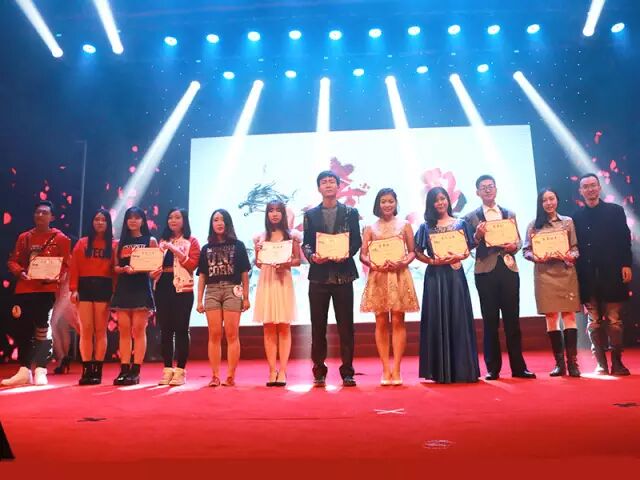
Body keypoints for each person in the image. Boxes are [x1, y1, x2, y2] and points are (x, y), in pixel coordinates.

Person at [464, 175, 536, 380]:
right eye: (483, 187)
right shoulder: (470, 217)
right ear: (477, 192)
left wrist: (515, 246)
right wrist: (477, 236)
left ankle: (519, 367)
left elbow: (518, 241)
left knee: (513, 320)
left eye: (491, 186)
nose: (488, 190)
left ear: (496, 189)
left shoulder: (509, 214)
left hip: (508, 268)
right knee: (490, 321)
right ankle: (492, 368)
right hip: (485, 271)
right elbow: (467, 245)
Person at [302, 170, 362, 387]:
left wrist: (347, 253)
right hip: (318, 277)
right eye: (324, 182)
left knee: (346, 326)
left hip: (343, 275)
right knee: (318, 327)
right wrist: (312, 256)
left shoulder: (350, 212)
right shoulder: (310, 215)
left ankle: (347, 372)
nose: (328, 185)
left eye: (331, 182)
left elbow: (356, 241)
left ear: (338, 186)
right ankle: (319, 370)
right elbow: (306, 243)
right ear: (319, 188)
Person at [414, 187, 480, 383]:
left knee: (459, 316)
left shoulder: (461, 223)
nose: (440, 203)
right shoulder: (425, 227)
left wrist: (460, 256)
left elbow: (468, 249)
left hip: (455, 274)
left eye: (443, 198)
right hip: (435, 277)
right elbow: (417, 251)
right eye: (436, 200)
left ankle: (463, 369)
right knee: (437, 318)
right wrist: (432, 261)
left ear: (448, 200)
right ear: (430, 204)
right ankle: (439, 371)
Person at [2, 200, 71, 387]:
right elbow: (13, 261)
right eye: (38, 212)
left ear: (52, 217)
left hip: (46, 290)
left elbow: (66, 264)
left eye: (45, 213)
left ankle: (41, 368)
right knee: (23, 329)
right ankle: (24, 370)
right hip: (24, 289)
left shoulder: (61, 239)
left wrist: (58, 276)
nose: (40, 215)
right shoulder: (24, 237)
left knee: (42, 328)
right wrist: (20, 272)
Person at [573, 173, 632, 375]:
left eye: (593, 185)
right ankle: (600, 363)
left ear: (599, 188)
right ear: (580, 191)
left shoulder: (615, 211)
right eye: (586, 186)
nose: (590, 189)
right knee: (594, 322)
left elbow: (624, 239)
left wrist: (626, 264)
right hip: (587, 276)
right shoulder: (576, 217)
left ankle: (617, 362)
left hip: (612, 273)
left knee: (614, 321)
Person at [360, 188, 419, 386]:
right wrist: (372, 264)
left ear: (396, 203)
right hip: (378, 276)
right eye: (383, 201)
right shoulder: (370, 227)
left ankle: (397, 369)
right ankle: (385, 368)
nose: (387, 205)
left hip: (399, 275)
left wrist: (403, 262)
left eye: (390, 201)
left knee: (398, 320)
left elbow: (412, 252)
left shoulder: (405, 225)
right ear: (378, 204)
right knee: (380, 321)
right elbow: (363, 255)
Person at [523, 189, 581, 377]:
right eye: (544, 200)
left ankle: (572, 363)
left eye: (551, 199)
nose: (549, 203)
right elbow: (526, 250)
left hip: (565, 272)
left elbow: (575, 248)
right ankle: (559, 364)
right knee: (551, 317)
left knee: (569, 315)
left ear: (557, 200)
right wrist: (536, 257)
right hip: (544, 275)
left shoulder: (567, 222)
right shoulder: (533, 225)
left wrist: (570, 255)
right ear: (540, 203)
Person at [196, 209, 250, 387]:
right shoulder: (206, 248)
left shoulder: (238, 245)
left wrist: (246, 297)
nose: (219, 223)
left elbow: (244, 273)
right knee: (214, 334)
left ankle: (231, 376)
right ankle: (215, 375)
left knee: (232, 334)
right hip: (211, 291)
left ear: (228, 223)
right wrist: (199, 300)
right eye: (215, 220)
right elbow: (202, 276)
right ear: (211, 224)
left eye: (222, 220)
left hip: (232, 289)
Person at [253, 200, 301, 387]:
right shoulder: (261, 237)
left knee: (284, 326)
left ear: (283, 214)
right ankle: (272, 370)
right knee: (268, 326)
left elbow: (297, 260)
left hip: (283, 281)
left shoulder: (291, 236)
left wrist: (285, 264)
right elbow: (258, 263)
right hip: (266, 281)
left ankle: (283, 370)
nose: (274, 214)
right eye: (271, 211)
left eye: (278, 211)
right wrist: (257, 253)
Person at [151, 207, 200, 386]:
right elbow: (153, 265)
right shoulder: (161, 241)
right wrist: (152, 273)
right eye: (170, 217)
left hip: (182, 289)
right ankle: (167, 369)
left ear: (184, 220)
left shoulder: (191, 241)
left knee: (181, 329)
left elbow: (192, 265)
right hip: (162, 287)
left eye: (177, 217)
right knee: (165, 330)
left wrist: (174, 249)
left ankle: (180, 370)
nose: (173, 220)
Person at [69, 209, 117, 385]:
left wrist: (115, 292)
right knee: (86, 329)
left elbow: (115, 272)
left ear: (108, 223)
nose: (100, 222)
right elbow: (74, 266)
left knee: (100, 330)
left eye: (103, 220)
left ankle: (98, 369)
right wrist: (74, 289)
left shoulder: (114, 245)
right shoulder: (82, 243)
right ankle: (86, 368)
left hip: (104, 287)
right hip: (85, 287)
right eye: (97, 219)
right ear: (92, 222)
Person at [111, 206, 157, 385]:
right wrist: (122, 269)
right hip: (124, 287)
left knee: (138, 330)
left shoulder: (150, 240)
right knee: (124, 330)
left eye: (137, 217)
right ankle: (124, 369)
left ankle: (135, 371)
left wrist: (139, 269)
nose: (133, 221)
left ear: (143, 221)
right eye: (130, 217)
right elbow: (115, 266)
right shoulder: (120, 242)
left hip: (141, 288)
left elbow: (154, 266)